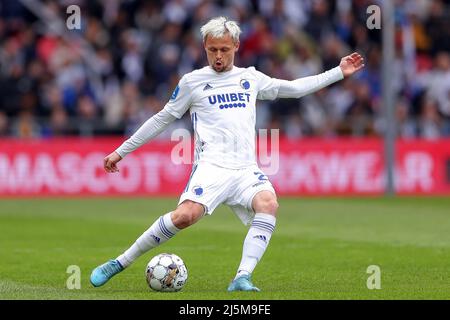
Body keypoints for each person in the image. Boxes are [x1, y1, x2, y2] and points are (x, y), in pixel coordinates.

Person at [90, 16, 364, 291]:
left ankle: (242, 277)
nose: (218, 56)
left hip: (245, 169)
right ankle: (119, 262)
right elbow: (162, 119)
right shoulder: (192, 82)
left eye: (224, 49)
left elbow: (293, 89)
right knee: (184, 217)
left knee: (268, 204)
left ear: (236, 46)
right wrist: (121, 151)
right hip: (211, 167)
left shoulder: (250, 78)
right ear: (204, 47)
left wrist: (338, 72)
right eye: (212, 50)